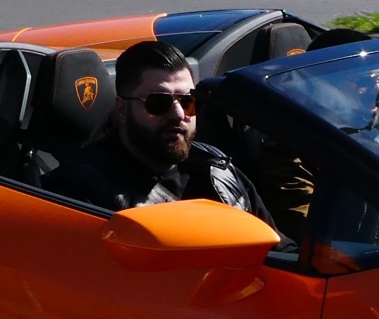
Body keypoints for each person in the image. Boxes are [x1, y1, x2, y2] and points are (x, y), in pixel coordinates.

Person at [44, 39, 271, 219]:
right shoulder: (80, 191)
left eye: (188, 101)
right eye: (158, 103)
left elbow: (280, 251)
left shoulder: (217, 170)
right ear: (122, 110)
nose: (179, 114)